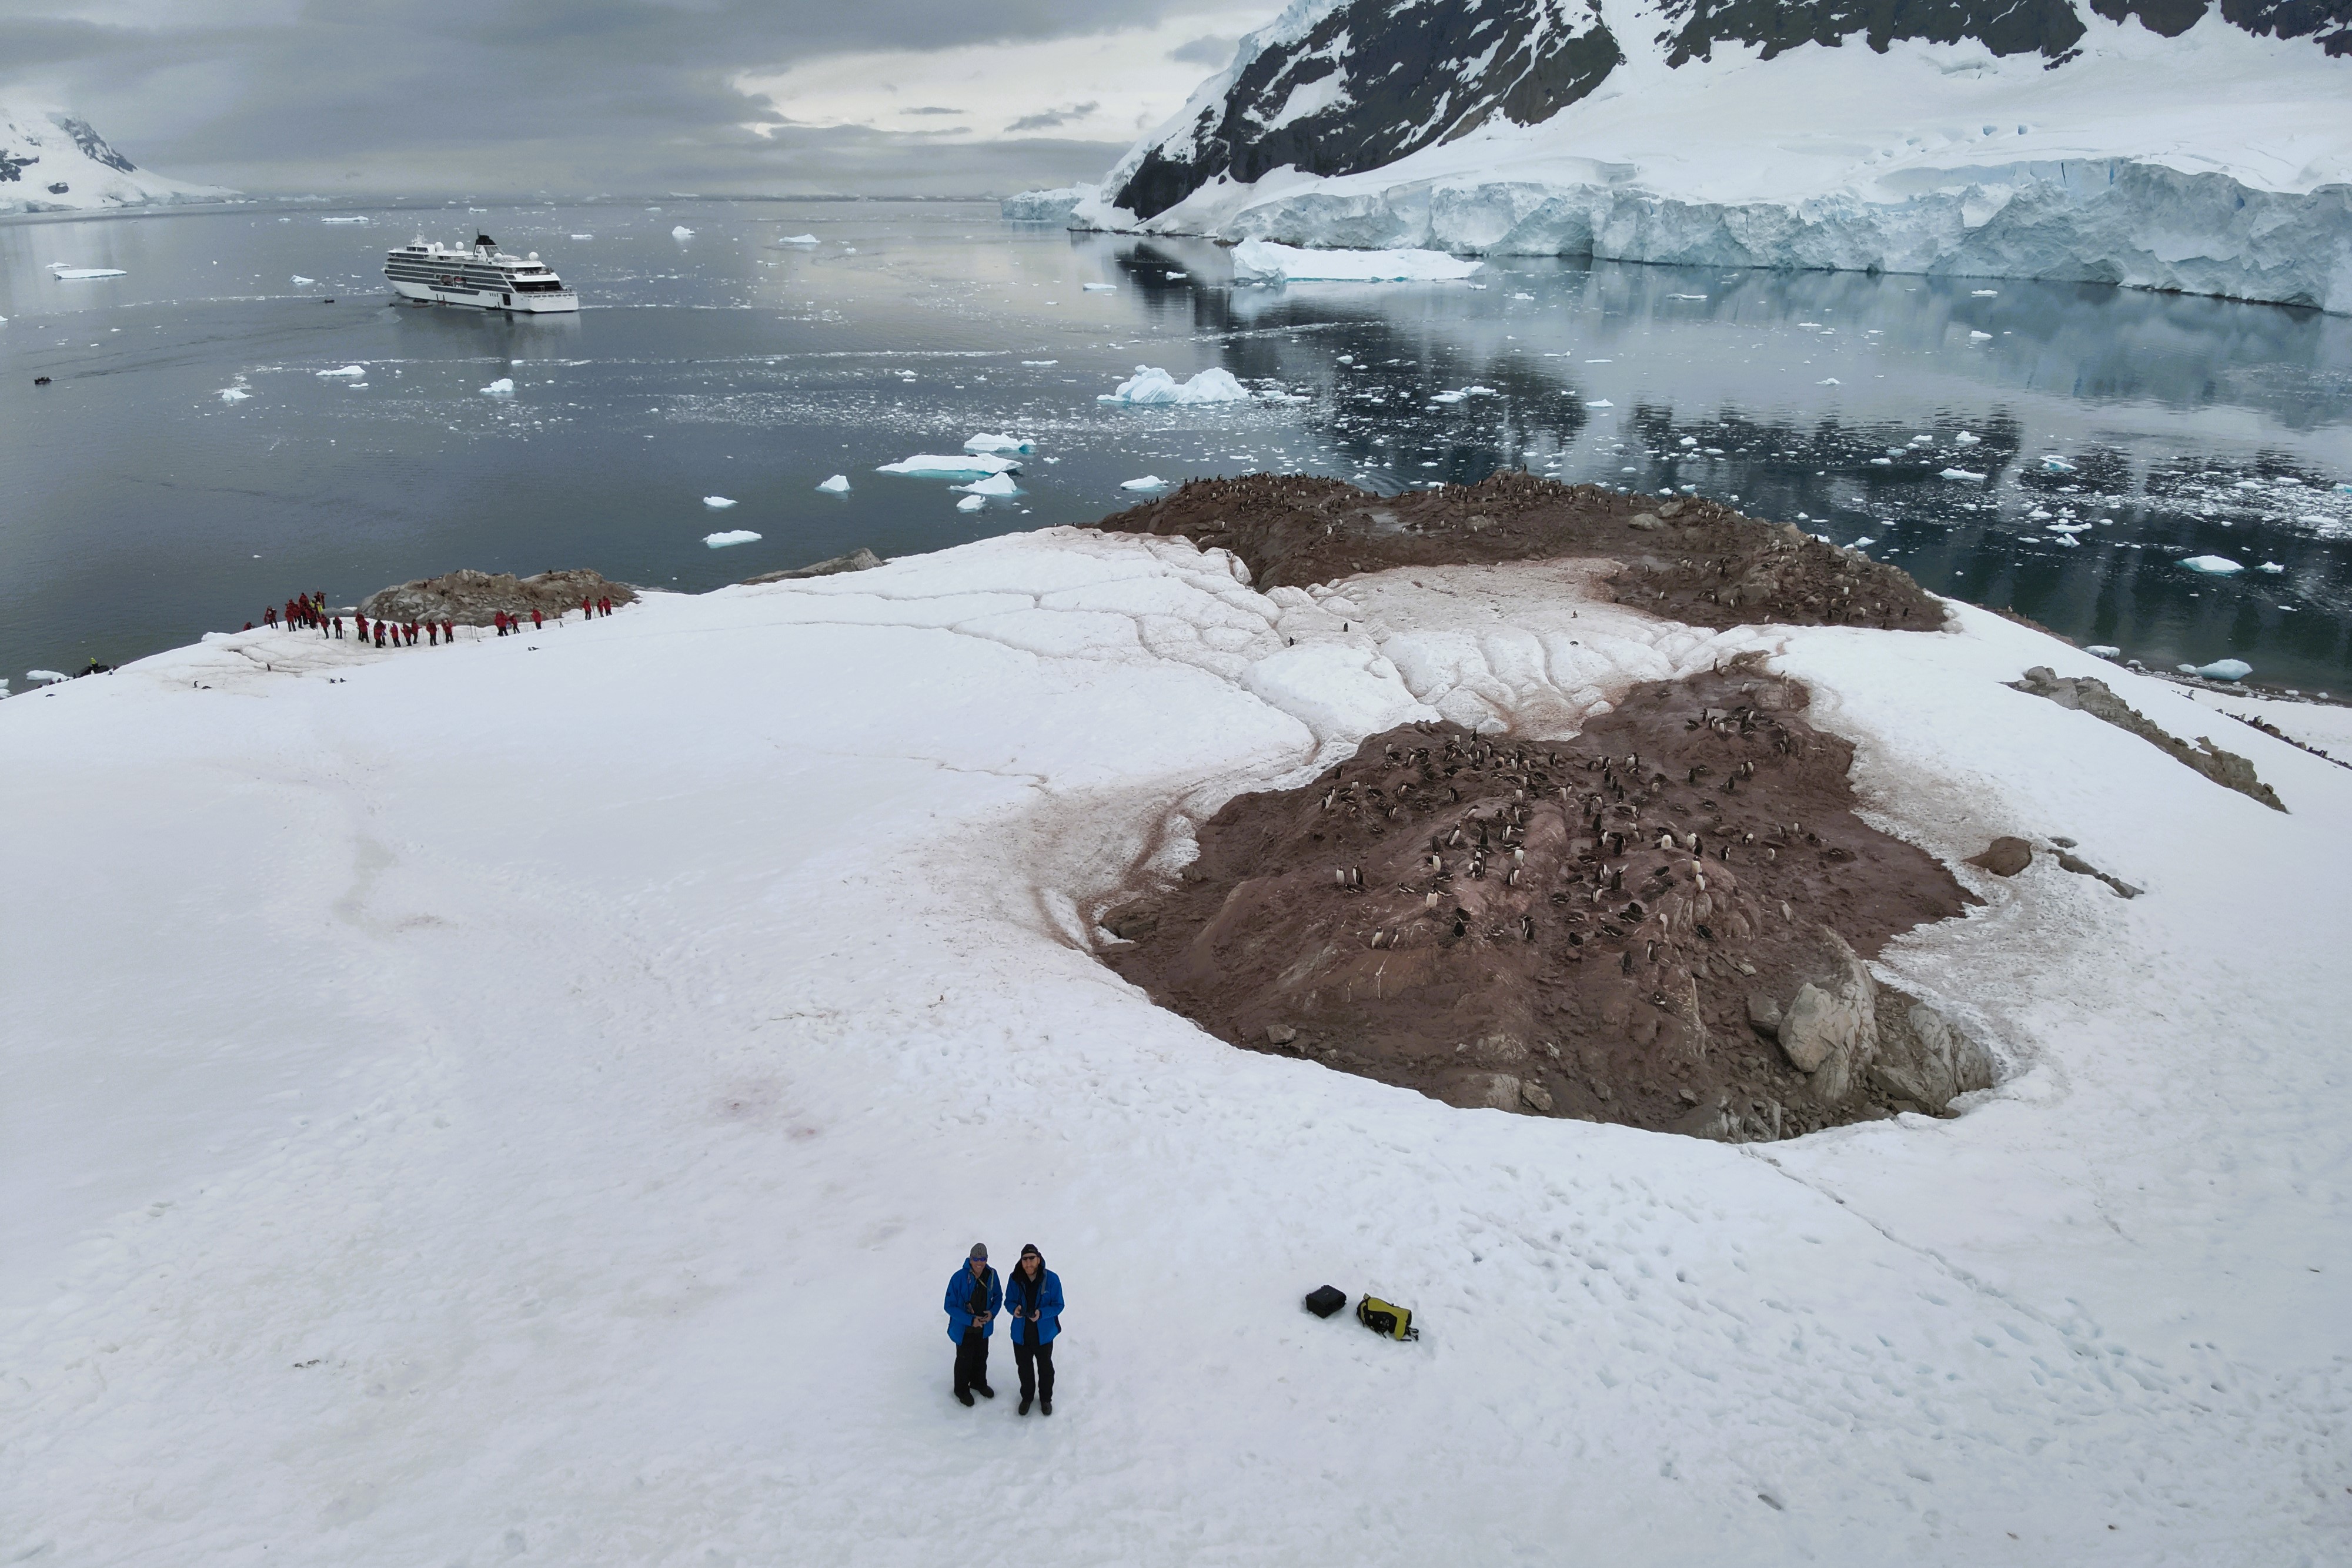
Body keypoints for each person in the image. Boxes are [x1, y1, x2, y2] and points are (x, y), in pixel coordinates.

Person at [1004, 1244, 1063, 1416]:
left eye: (1032, 1259)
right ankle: (1027, 1398)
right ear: (1021, 1261)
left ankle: (1046, 1399)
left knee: (1045, 1369)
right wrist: (1014, 1309)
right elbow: (1009, 1301)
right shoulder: (1015, 1278)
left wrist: (1042, 1313)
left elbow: (1059, 1305)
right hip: (1021, 1334)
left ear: (1038, 1259)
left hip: (1043, 1335)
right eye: (1025, 1259)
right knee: (1024, 1368)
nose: (1029, 1264)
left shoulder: (1051, 1279)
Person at [944, 1243, 1001, 1407]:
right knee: (964, 1359)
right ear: (970, 1259)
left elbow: (998, 1296)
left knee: (981, 1357)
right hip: (965, 1328)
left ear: (987, 1260)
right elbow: (949, 1305)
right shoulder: (958, 1278)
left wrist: (992, 1313)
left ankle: (978, 1383)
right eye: (976, 1259)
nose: (979, 1263)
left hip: (983, 1327)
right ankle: (961, 1389)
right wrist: (970, 1320)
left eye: (983, 1259)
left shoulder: (991, 1275)